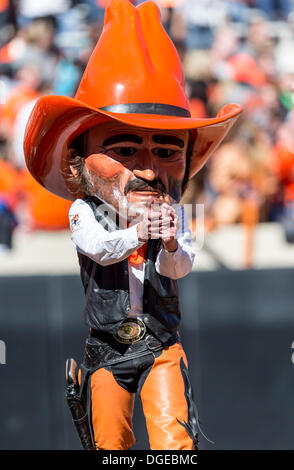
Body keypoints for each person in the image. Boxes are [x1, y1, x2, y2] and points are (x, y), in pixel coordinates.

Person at [23, 0, 242, 450]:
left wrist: (170, 247)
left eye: (165, 152)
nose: (146, 170)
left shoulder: (175, 213)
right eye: (124, 150)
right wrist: (141, 233)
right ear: (81, 162)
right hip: (107, 349)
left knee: (175, 443)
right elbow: (100, 249)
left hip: (162, 344)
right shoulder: (83, 211)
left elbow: (180, 268)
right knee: (110, 444)